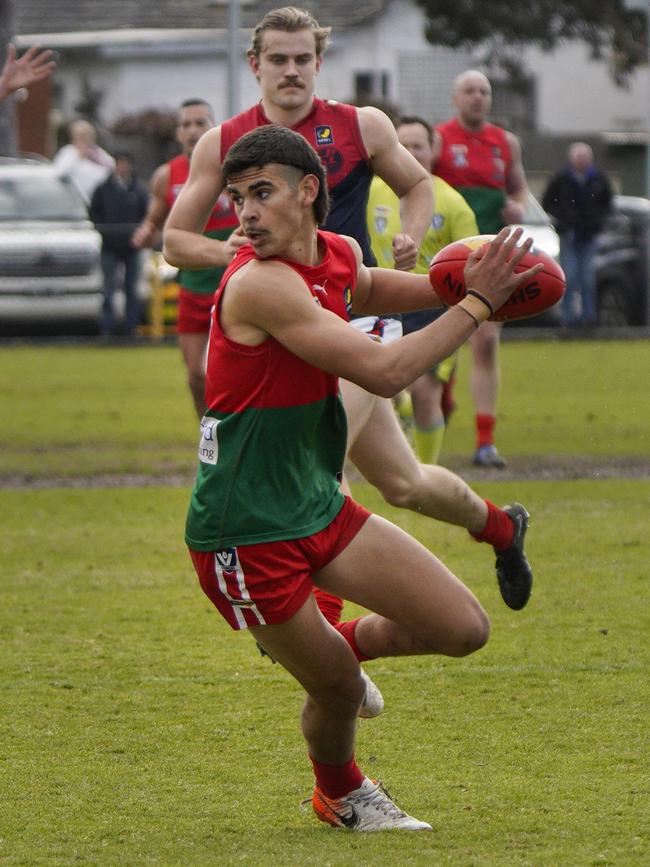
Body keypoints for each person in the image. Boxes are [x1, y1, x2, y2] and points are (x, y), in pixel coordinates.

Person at [185, 124, 541, 831]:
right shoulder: (259, 286)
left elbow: (371, 286)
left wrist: (460, 278)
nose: (245, 214)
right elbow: (383, 370)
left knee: (463, 627)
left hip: (317, 504)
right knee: (339, 691)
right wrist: (477, 304)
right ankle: (340, 792)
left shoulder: (338, 253)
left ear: (309, 190)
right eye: (236, 199)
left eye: (262, 193)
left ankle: (331, 646)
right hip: (247, 529)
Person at [164, 10, 535, 657]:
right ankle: (501, 527)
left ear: (317, 61)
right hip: (280, 317)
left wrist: (417, 241)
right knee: (405, 484)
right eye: (277, 59)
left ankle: (331, 641)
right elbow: (175, 238)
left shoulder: (360, 123)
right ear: (254, 64)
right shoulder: (224, 142)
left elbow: (418, 185)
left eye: (301, 58)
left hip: (353, 309)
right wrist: (245, 260)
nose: (290, 70)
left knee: (322, 465)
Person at [367, 115, 479, 464]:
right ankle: (392, 464)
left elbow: (472, 258)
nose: (412, 152)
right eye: (404, 145)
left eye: (419, 145)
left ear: (434, 149)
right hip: (380, 300)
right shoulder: (371, 191)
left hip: (434, 307)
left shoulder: (452, 202)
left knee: (425, 392)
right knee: (373, 385)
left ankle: (426, 471)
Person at [433, 70, 530, 468]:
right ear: (456, 98)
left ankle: (485, 441)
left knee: (486, 343)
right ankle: (441, 397)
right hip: (447, 257)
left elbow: (518, 188)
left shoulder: (505, 143)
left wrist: (518, 205)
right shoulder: (439, 139)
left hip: (492, 256)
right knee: (442, 344)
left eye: (484, 91)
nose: (478, 97)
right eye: (470, 91)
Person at [132, 99, 241, 417]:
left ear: (214, 128)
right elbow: (154, 220)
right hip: (193, 284)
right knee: (196, 374)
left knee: (228, 373)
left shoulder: (234, 167)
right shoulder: (167, 175)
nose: (193, 130)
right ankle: (206, 436)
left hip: (233, 284)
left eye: (200, 123)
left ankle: (233, 435)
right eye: (186, 124)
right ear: (178, 133)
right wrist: (145, 231)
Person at [542, 142, 612, 328]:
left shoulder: (598, 179)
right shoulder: (561, 179)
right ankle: (568, 319)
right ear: (571, 159)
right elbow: (548, 202)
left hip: (589, 234)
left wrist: (598, 222)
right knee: (569, 277)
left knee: (588, 278)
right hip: (569, 233)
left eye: (584, 157)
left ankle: (589, 318)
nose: (581, 161)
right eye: (578, 157)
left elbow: (607, 204)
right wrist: (562, 220)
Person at [89, 152, 149, 337]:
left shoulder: (138, 190)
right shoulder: (103, 189)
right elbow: (94, 213)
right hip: (109, 246)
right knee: (108, 287)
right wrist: (104, 231)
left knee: (132, 288)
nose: (122, 168)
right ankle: (107, 327)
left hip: (132, 247)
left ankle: (131, 327)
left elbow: (146, 214)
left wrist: (138, 235)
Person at [53, 119, 115, 203]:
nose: (83, 139)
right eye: (79, 136)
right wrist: (79, 156)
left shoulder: (99, 154)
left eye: (86, 135)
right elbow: (60, 173)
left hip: (97, 201)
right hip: (73, 202)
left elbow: (111, 168)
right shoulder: (69, 152)